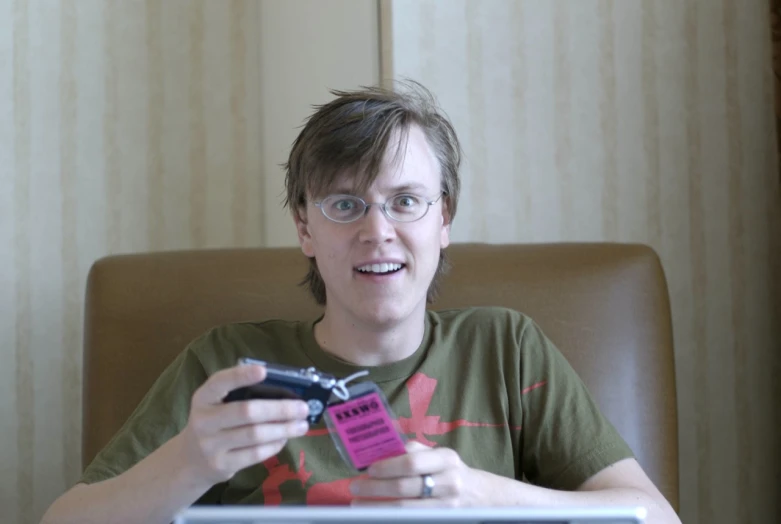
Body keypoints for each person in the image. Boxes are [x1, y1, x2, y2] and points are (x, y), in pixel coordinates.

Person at [41, 81, 681, 524]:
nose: (378, 231)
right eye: (345, 205)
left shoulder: (507, 348)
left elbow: (654, 516)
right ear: (304, 230)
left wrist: (483, 492)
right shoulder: (228, 367)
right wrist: (187, 461)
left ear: (444, 220)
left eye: (406, 201)